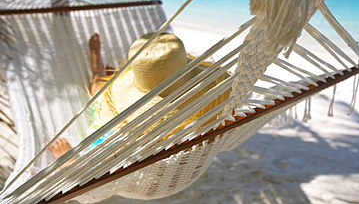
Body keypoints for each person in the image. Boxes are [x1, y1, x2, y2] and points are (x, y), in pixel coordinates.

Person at [48, 32, 230, 166]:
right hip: (122, 125)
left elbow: (82, 173)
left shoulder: (120, 143)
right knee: (99, 84)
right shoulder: (210, 114)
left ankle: (99, 61)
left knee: (98, 85)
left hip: (108, 130)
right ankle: (100, 62)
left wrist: (67, 158)